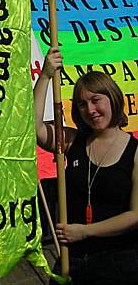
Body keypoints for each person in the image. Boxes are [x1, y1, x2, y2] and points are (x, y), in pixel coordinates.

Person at [35, 48, 138, 284]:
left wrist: (84, 231)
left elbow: (135, 215)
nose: (90, 110)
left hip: (119, 264)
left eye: (95, 100)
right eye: (82, 104)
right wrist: (45, 76)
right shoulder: (72, 141)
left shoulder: (135, 152)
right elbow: (36, 129)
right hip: (74, 261)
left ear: (113, 98)